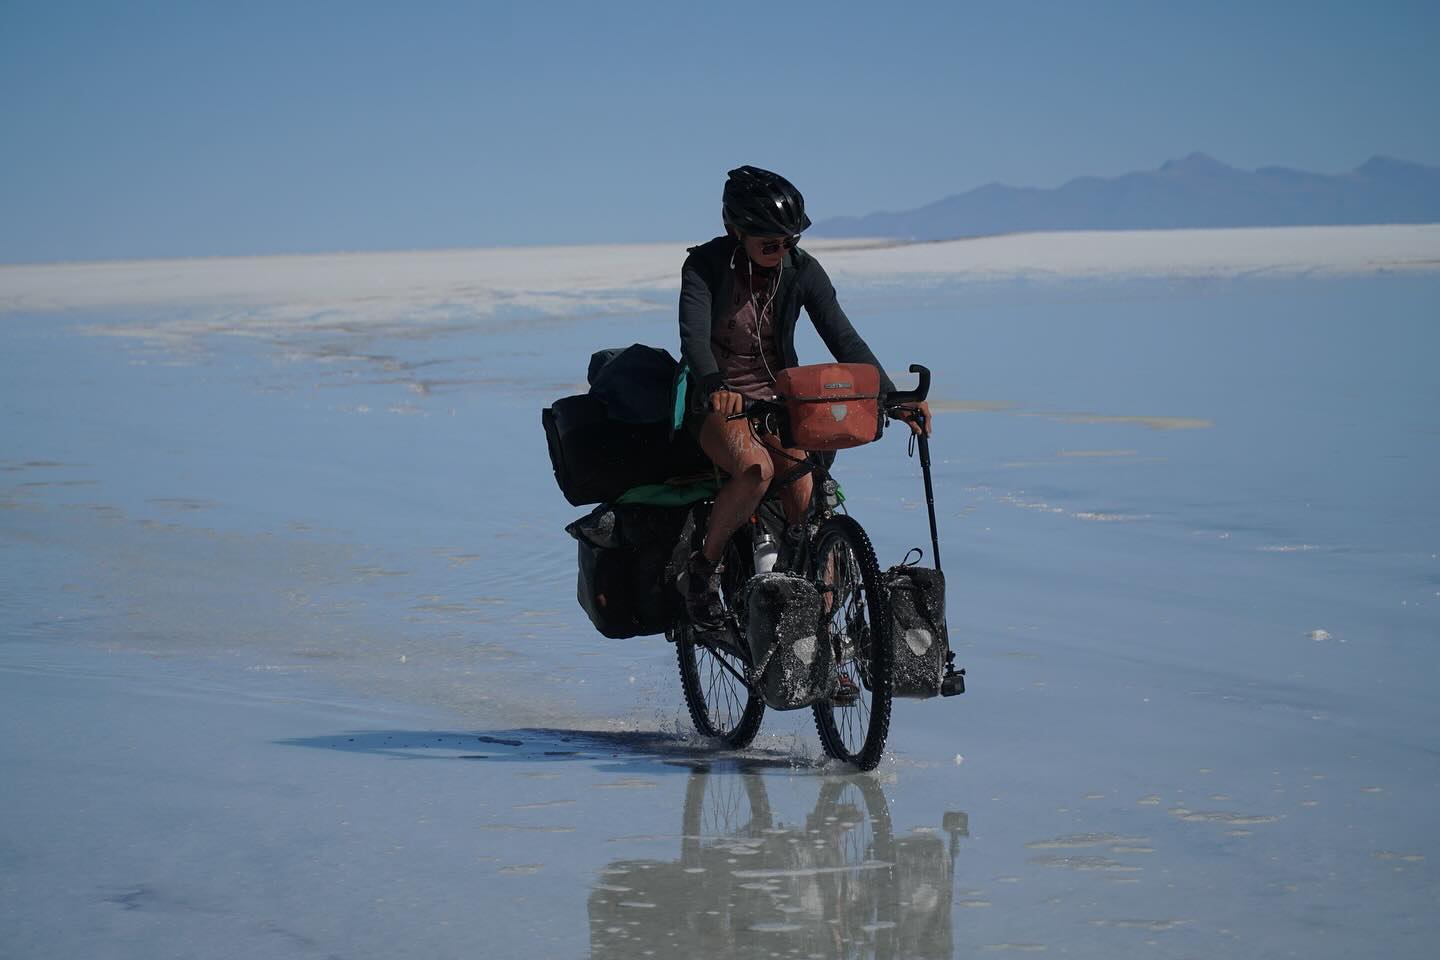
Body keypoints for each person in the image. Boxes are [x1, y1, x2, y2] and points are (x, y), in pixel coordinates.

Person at [676, 165, 931, 630]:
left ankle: (809, 621)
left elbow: (842, 337)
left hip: (777, 402)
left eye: (789, 242)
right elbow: (693, 337)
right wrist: (715, 384)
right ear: (735, 230)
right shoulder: (704, 266)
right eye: (768, 244)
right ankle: (703, 570)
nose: (781, 252)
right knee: (756, 469)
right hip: (716, 401)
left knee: (803, 485)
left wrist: (891, 397)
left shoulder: (801, 268)